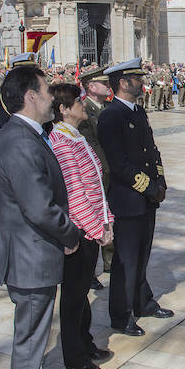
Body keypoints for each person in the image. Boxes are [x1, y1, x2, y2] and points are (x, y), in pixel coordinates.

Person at [0, 65, 79, 369]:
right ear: (30, 96)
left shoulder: (23, 134)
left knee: (35, 338)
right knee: (30, 342)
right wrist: (71, 233)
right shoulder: (21, 142)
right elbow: (39, 207)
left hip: (31, 253)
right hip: (30, 256)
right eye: (45, 91)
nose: (51, 98)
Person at [97, 58, 173, 337]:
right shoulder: (111, 116)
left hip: (147, 199)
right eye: (137, 79)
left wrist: (161, 181)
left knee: (142, 256)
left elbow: (151, 151)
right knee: (125, 262)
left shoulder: (138, 112)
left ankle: (143, 302)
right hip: (128, 200)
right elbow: (119, 164)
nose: (142, 82)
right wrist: (149, 187)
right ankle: (121, 314)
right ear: (123, 83)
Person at [48, 84, 115, 369]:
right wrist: (95, 228)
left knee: (82, 293)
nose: (82, 104)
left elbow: (95, 185)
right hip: (78, 231)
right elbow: (74, 194)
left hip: (91, 227)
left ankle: (85, 342)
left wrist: (106, 218)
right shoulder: (61, 142)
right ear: (63, 109)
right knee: (74, 296)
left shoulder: (75, 136)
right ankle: (74, 354)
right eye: (77, 101)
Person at [78, 65, 114, 287]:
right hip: (99, 171)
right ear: (91, 87)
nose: (108, 86)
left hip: (111, 171)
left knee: (110, 216)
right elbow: (91, 145)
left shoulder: (107, 107)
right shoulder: (83, 111)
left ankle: (110, 261)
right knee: (94, 220)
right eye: (104, 83)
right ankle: (88, 271)